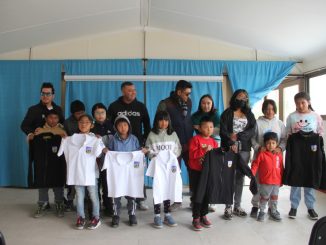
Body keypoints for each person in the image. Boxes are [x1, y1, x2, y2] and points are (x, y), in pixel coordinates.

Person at [108, 81, 150, 210]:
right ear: (123, 91)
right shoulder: (114, 106)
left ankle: (140, 199)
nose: (133, 92)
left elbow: (147, 125)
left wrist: (145, 142)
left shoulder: (140, 106)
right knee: (120, 173)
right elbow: (109, 124)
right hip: (119, 145)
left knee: (137, 172)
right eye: (129, 90)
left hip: (136, 145)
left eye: (134, 90)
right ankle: (118, 198)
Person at [58, 114, 104, 230]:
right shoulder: (70, 139)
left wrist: (98, 142)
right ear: (78, 124)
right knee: (79, 196)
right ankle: (80, 217)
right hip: (77, 173)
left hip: (91, 173)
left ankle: (96, 217)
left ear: (91, 125)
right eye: (81, 122)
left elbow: (99, 154)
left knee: (94, 196)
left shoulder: (96, 138)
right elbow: (59, 153)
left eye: (87, 122)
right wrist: (64, 140)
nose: (84, 124)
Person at [286, 92, 324, 220]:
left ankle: (310, 207)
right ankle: (294, 207)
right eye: (297, 103)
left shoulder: (316, 117)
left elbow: (320, 134)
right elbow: (288, 134)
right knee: (296, 179)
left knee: (310, 179)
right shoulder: (291, 117)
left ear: (309, 102)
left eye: (303, 102)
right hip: (297, 153)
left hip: (311, 154)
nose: (300, 105)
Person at [157, 80, 194, 211]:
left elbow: (187, 119)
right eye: (187, 94)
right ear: (179, 92)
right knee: (174, 173)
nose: (189, 96)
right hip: (172, 145)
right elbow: (159, 123)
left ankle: (194, 199)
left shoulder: (188, 102)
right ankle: (175, 200)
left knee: (193, 171)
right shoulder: (165, 104)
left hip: (188, 143)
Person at [220, 89, 256, 219]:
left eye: (245, 97)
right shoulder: (227, 113)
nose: (242, 99)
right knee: (229, 176)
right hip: (229, 149)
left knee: (240, 177)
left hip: (244, 148)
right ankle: (228, 206)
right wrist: (231, 143)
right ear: (235, 97)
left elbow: (252, 130)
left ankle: (237, 206)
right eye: (240, 96)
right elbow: (223, 132)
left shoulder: (249, 114)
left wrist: (240, 136)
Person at [102, 115, 144, 227]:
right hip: (117, 172)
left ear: (129, 126)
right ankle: (116, 215)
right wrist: (107, 151)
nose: (123, 127)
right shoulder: (112, 140)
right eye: (120, 125)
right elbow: (110, 153)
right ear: (116, 127)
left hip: (130, 173)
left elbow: (137, 153)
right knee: (116, 193)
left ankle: (132, 214)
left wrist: (141, 152)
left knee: (132, 193)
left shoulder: (134, 139)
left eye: (125, 125)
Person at [145, 110, 182, 228]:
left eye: (166, 120)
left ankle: (167, 214)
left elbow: (178, 148)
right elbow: (147, 150)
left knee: (167, 190)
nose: (163, 123)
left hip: (169, 168)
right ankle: (157, 216)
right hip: (158, 168)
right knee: (158, 190)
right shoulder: (152, 135)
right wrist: (153, 156)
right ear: (156, 121)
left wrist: (171, 157)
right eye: (161, 120)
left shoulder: (173, 134)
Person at [250, 99, 286, 218]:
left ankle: (272, 208)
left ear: (275, 109)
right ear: (263, 110)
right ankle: (256, 206)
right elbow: (252, 138)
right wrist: (258, 147)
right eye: (267, 109)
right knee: (259, 183)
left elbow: (284, 139)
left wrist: (280, 148)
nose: (269, 111)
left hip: (274, 159)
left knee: (273, 186)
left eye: (271, 109)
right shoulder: (257, 123)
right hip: (261, 157)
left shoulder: (280, 123)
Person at [29, 109, 67, 218]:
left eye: (56, 118)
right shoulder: (38, 130)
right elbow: (32, 141)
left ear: (59, 119)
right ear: (45, 119)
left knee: (58, 183)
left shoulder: (62, 131)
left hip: (58, 163)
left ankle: (59, 203)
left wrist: (46, 132)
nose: (53, 120)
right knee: (42, 183)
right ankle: (43, 204)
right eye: (50, 117)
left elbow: (65, 136)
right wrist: (37, 133)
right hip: (42, 162)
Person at [191, 94, 220, 212]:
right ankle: (195, 200)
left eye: (209, 103)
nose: (206, 105)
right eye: (203, 103)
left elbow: (219, 129)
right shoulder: (195, 115)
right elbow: (194, 129)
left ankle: (211, 200)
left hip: (214, 143)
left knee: (212, 176)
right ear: (200, 104)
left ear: (212, 104)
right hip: (200, 144)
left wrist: (206, 129)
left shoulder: (216, 114)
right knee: (197, 178)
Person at [188, 116, 218, 231]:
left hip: (208, 172)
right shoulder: (195, 140)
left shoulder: (214, 142)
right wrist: (203, 150)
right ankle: (196, 217)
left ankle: (203, 215)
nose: (209, 129)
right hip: (196, 171)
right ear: (200, 128)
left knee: (206, 194)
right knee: (197, 194)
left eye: (211, 127)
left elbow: (216, 157)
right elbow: (192, 155)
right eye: (205, 127)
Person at [251, 132, 284, 222]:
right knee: (264, 197)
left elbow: (281, 167)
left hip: (276, 181)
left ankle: (273, 211)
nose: (271, 145)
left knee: (274, 197)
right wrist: (252, 173)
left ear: (276, 144)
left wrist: (282, 180)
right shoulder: (262, 154)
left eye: (273, 143)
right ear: (265, 144)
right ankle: (261, 212)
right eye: (268, 143)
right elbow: (255, 164)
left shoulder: (279, 155)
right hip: (266, 181)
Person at [91, 103, 115, 217]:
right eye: (97, 113)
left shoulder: (112, 126)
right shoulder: (90, 127)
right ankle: (95, 207)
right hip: (94, 162)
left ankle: (108, 206)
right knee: (95, 184)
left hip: (108, 162)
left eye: (102, 112)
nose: (100, 115)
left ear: (106, 114)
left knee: (107, 184)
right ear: (93, 115)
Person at [63, 100, 86, 211]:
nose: (80, 115)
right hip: (73, 154)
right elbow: (66, 138)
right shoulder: (67, 122)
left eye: (82, 112)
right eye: (77, 113)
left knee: (85, 178)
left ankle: (87, 201)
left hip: (86, 154)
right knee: (71, 179)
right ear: (73, 113)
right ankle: (70, 200)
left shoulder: (88, 120)